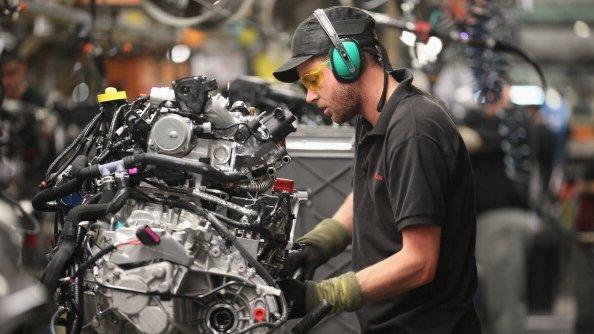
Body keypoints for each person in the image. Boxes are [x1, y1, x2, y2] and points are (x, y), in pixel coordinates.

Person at [273, 6, 480, 333]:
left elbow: (420, 262)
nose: (310, 96)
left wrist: (326, 295)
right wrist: (319, 244)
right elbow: (373, 193)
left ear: (347, 61)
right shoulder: (375, 121)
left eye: (313, 80)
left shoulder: (414, 131)